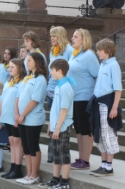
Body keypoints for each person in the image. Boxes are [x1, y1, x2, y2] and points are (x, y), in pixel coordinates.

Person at [38, 59, 75, 189]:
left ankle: (64, 182)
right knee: (55, 154)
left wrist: (58, 127)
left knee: (63, 154)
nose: (51, 73)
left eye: (52, 70)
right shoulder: (59, 86)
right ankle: (55, 178)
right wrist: (50, 125)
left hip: (63, 126)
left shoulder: (65, 87)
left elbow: (64, 110)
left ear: (60, 71)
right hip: (56, 126)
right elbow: (55, 109)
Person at [87, 38, 122, 177]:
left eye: (99, 50)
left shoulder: (114, 65)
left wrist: (114, 108)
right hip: (98, 102)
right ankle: (103, 164)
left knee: (108, 134)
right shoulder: (103, 65)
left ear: (107, 50)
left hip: (107, 103)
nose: (97, 52)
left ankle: (108, 167)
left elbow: (118, 89)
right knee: (100, 134)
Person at [67, 28, 100, 170]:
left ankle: (85, 160)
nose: (72, 39)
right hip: (74, 97)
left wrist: (97, 96)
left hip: (85, 97)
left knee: (85, 129)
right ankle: (80, 157)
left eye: (75, 37)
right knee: (79, 129)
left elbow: (98, 75)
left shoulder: (89, 56)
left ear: (83, 39)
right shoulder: (74, 55)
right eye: (73, 36)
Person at [15, 52, 47, 184]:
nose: (26, 63)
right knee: (26, 146)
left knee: (33, 146)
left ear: (37, 62)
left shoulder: (40, 79)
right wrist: (17, 114)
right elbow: (18, 97)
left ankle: (35, 175)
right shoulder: (27, 77)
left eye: (29, 60)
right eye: (26, 60)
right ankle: (28, 174)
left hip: (32, 118)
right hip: (22, 118)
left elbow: (34, 100)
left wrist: (22, 115)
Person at [46, 26, 73, 163]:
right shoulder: (53, 51)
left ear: (61, 36)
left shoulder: (68, 50)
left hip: (62, 88)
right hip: (52, 89)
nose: (52, 38)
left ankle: (58, 155)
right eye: (51, 36)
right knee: (52, 117)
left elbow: (69, 70)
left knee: (59, 120)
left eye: (54, 36)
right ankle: (52, 154)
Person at [0, 58, 26, 179]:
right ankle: (12, 167)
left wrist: (17, 116)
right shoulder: (9, 81)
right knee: (12, 142)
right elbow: (2, 99)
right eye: (9, 67)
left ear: (19, 68)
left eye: (13, 67)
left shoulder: (22, 82)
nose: (10, 69)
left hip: (15, 117)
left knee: (17, 142)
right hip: (7, 116)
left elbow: (19, 100)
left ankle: (17, 168)